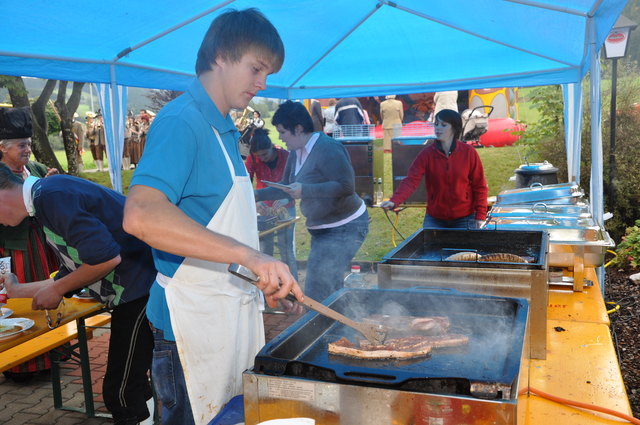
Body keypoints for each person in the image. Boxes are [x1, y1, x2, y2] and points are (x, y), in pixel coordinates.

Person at [122, 9, 303, 425]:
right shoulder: (182, 120)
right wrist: (251, 256)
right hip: (190, 325)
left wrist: (260, 277)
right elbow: (141, 215)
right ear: (221, 55)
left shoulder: (222, 127)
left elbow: (210, 224)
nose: (263, 83)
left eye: (268, 73)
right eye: (256, 68)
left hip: (228, 314)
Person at [0, 164, 155, 425]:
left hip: (140, 287)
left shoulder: (51, 198)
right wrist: (17, 290)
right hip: (137, 287)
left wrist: (57, 289)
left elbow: (106, 259)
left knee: (120, 391)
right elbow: (76, 269)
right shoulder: (45, 197)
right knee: (132, 383)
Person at [256, 100, 369, 302]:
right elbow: (286, 186)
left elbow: (346, 186)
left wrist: (306, 190)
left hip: (345, 227)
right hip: (323, 230)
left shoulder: (328, 148)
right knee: (328, 289)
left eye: (282, 132)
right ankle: (343, 319)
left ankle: (337, 320)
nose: (280, 138)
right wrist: (255, 195)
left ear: (298, 129)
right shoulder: (295, 152)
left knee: (318, 291)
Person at [0, 106, 60, 379]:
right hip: (15, 248)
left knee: (50, 294)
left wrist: (52, 186)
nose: (28, 149)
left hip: (44, 244)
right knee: (20, 301)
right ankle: (21, 365)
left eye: (28, 143)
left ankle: (51, 354)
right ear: (3, 148)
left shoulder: (34, 168)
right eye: (21, 145)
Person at [381, 109, 488, 229]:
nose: (438, 128)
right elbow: (411, 181)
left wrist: (480, 216)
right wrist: (394, 201)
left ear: (454, 128)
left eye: (443, 125)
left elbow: (480, 186)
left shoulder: (469, 153)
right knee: (427, 242)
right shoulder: (427, 154)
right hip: (435, 218)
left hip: (465, 217)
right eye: (436, 124)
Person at [245, 128, 298, 279]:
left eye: (265, 154)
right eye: (259, 156)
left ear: (272, 147)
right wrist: (255, 203)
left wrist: (287, 199)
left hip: (286, 208)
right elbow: (245, 184)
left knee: (286, 249)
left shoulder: (286, 156)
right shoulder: (252, 159)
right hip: (264, 210)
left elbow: (294, 183)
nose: (262, 159)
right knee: (264, 251)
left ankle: (292, 285)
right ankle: (267, 286)